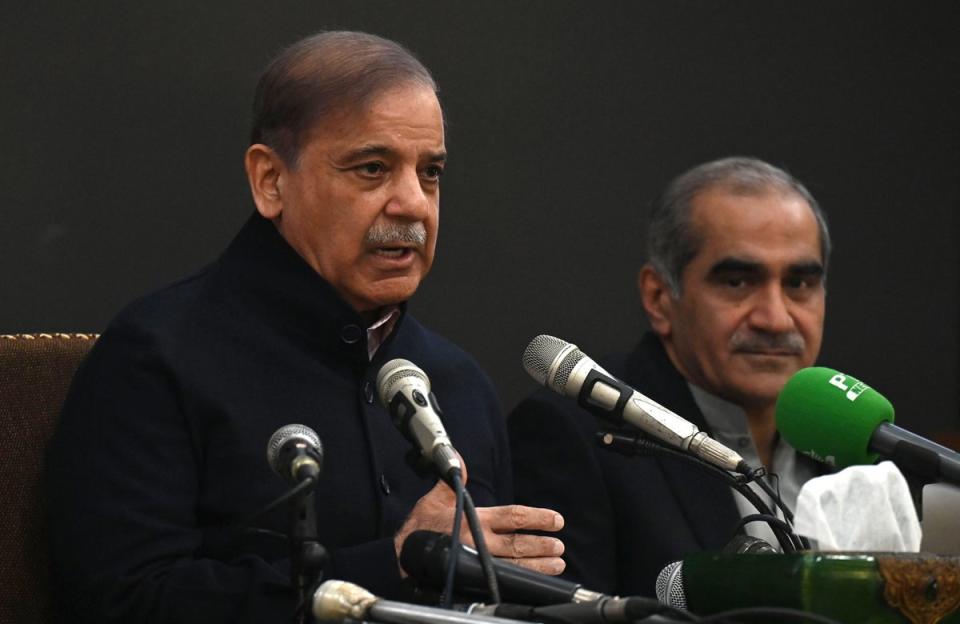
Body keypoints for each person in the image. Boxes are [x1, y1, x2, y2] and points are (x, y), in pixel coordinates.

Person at [45, 31, 563, 624]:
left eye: (431, 172)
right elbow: (123, 602)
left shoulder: (458, 382)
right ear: (271, 181)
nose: (414, 204)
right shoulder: (156, 358)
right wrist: (393, 565)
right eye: (372, 168)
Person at [509, 156, 831, 597]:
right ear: (659, 297)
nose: (775, 318)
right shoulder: (574, 434)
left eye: (799, 284)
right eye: (737, 282)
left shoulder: (852, 447)